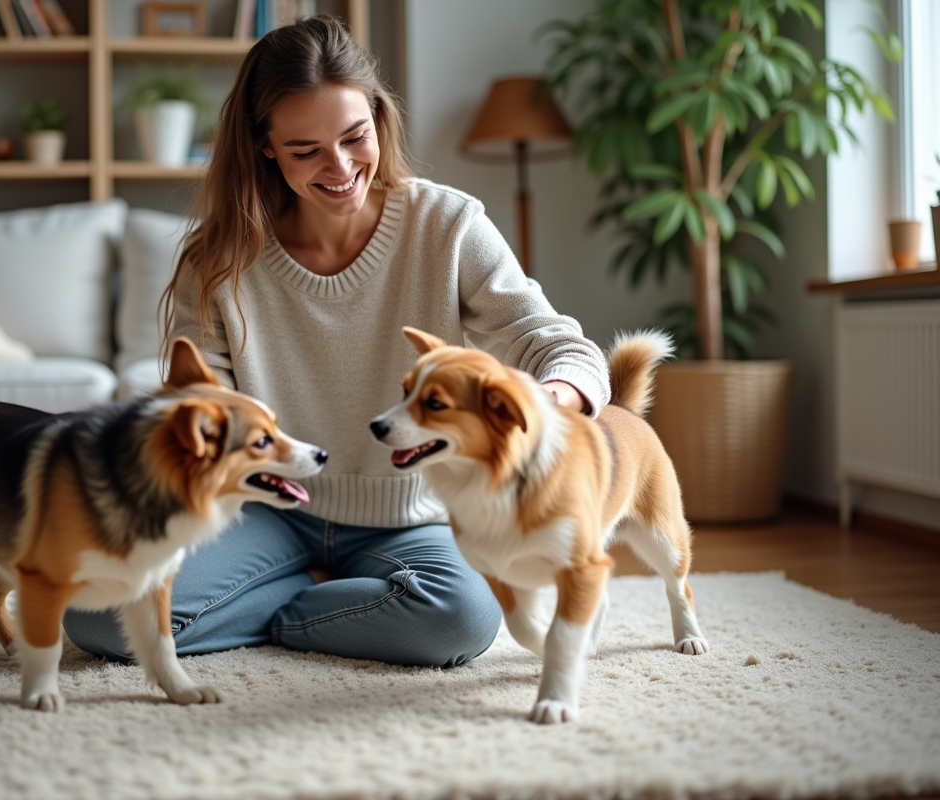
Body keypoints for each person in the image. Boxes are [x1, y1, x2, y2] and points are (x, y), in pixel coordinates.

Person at [62, 15, 610, 668]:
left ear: (378, 118)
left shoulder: (448, 224)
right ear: (263, 145)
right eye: (306, 150)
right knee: (98, 620)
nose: (342, 167)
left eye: (356, 137)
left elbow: (559, 346)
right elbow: (199, 411)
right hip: (260, 509)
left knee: (459, 620)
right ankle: (323, 598)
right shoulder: (219, 259)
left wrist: (552, 399)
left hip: (408, 517)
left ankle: (273, 611)